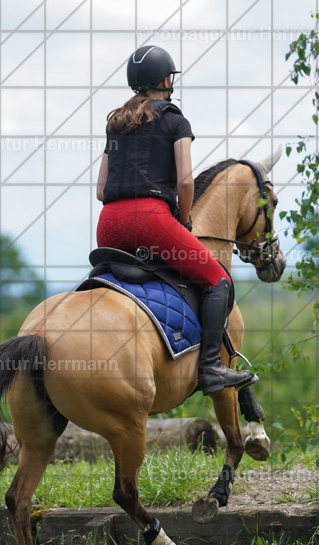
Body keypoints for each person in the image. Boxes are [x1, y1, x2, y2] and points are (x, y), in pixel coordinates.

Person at [95, 45, 256, 396]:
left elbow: (100, 189)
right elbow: (185, 180)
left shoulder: (116, 124)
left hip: (108, 222)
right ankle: (212, 369)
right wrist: (183, 220)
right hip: (150, 219)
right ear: (166, 79)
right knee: (218, 280)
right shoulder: (175, 120)